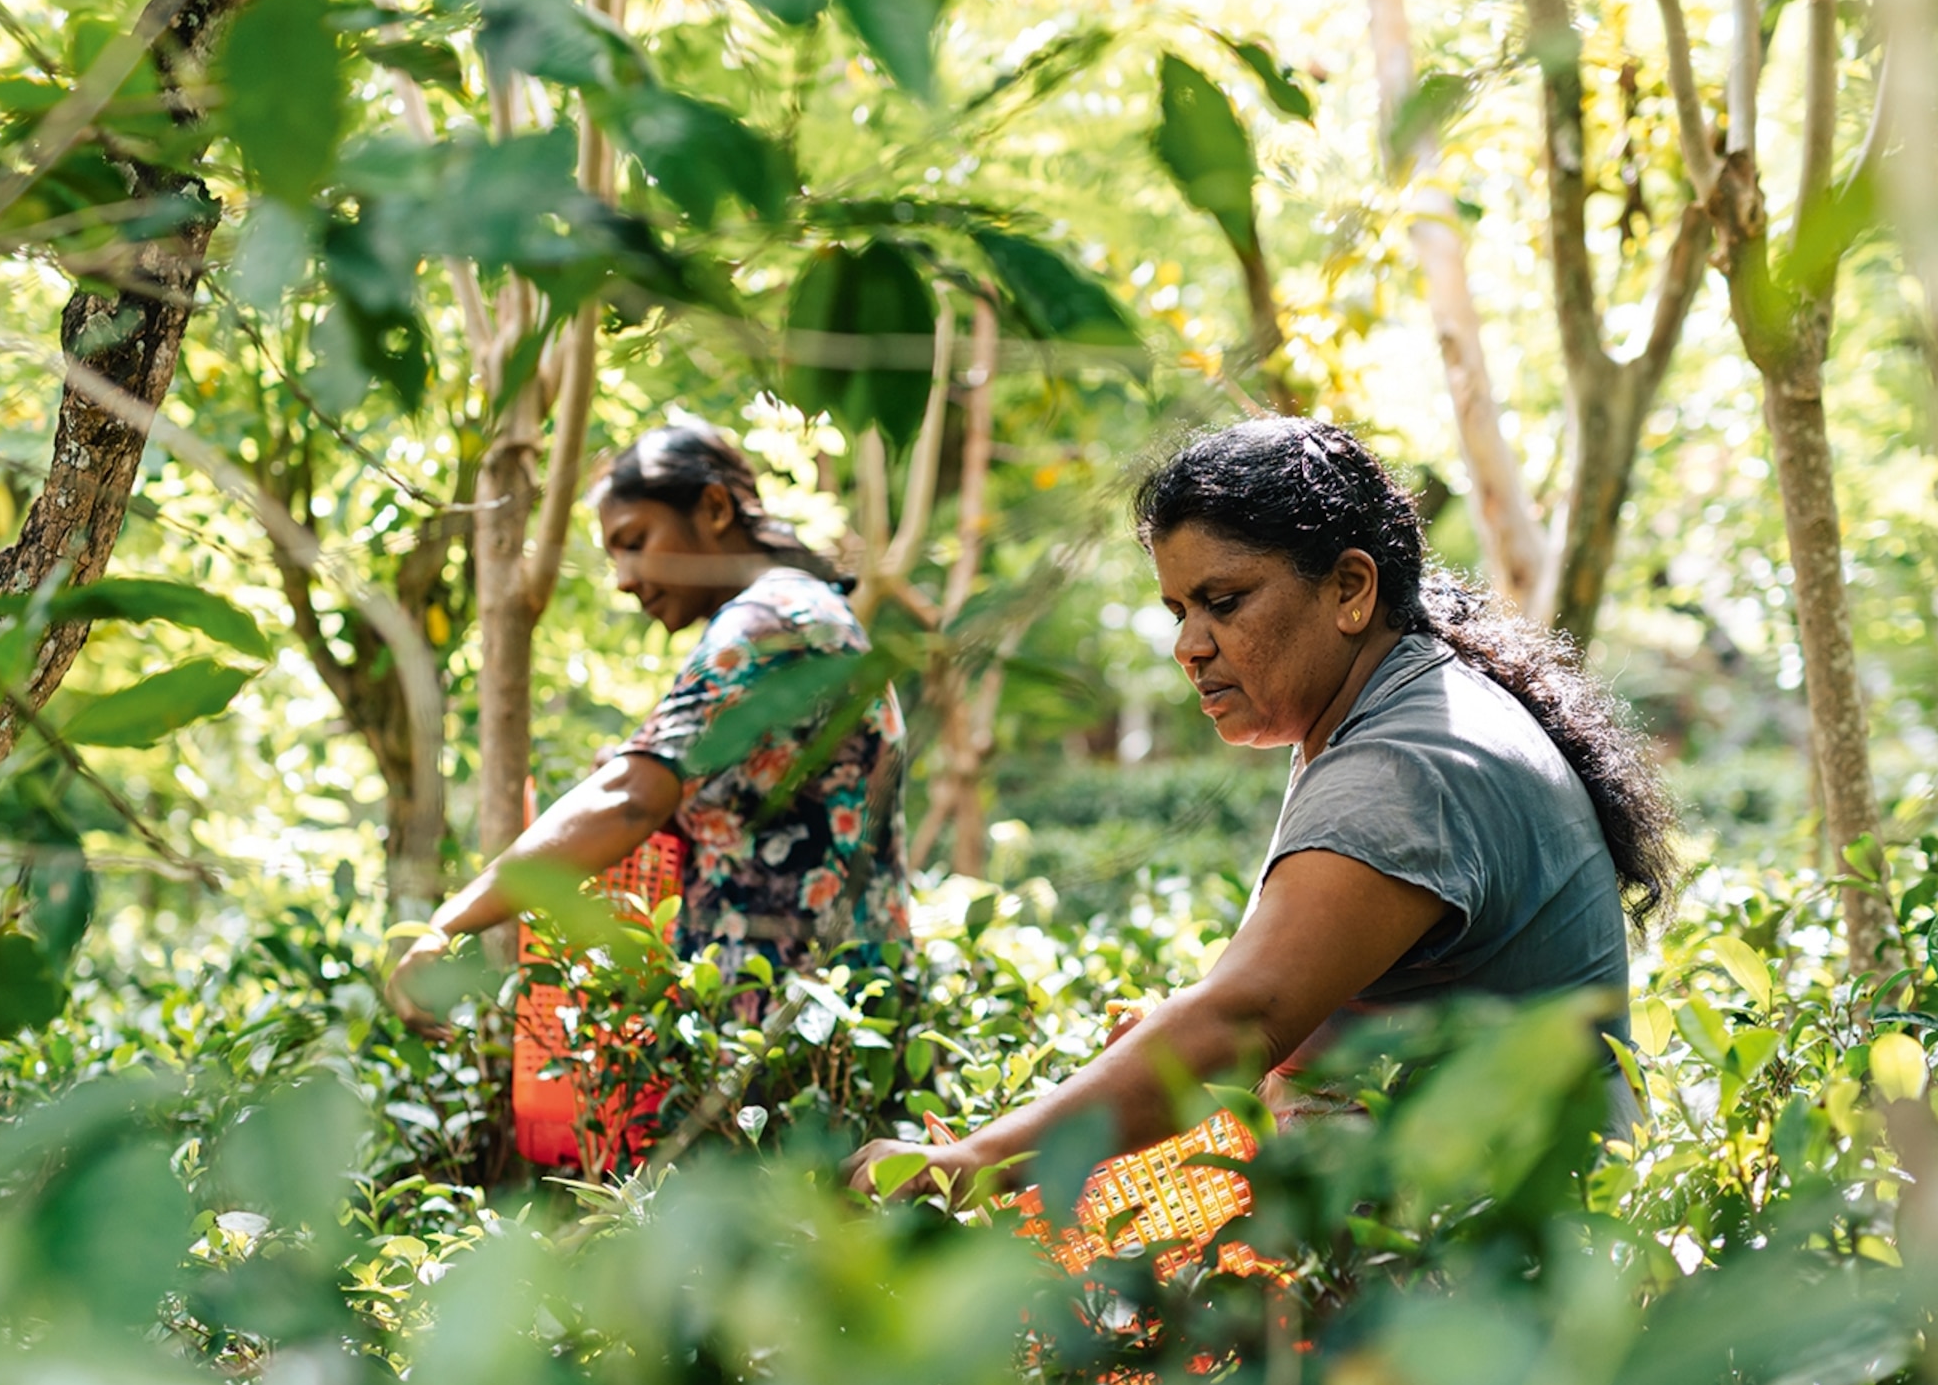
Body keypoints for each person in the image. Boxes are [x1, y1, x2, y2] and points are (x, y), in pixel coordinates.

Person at [845, 416, 1680, 1197]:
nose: (1188, 647)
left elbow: (1243, 1020)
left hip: (1496, 1267)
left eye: (1225, 602)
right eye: (1178, 611)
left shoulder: (1406, 765)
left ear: (1351, 588)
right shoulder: (1403, 706)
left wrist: (961, 1165)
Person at [388, 421, 912, 998]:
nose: (623, 582)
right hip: (840, 1025)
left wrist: (446, 925)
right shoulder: (808, 609)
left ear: (714, 508)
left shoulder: (767, 623)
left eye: (635, 542)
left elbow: (631, 799)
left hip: (797, 1033)